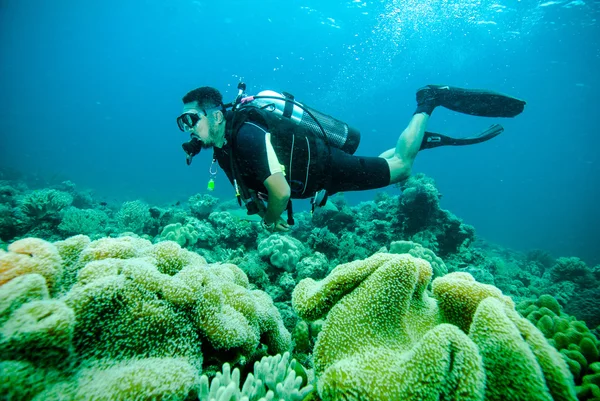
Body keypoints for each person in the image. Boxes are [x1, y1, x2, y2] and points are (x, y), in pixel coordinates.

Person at [176, 84, 525, 233]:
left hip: (327, 169)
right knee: (390, 161)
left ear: (217, 116)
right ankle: (420, 141)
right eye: (182, 122)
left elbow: (280, 193)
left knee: (402, 168)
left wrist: (269, 220)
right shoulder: (223, 143)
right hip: (319, 172)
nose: (187, 128)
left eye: (191, 119)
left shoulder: (245, 135)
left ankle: (429, 101)